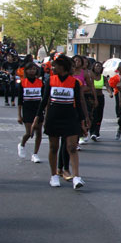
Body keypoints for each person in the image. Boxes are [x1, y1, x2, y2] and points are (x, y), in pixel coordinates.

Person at [32, 54, 89, 189]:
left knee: (72, 147)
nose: (53, 67)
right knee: (54, 147)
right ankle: (54, 176)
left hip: (70, 117)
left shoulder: (74, 82)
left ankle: (76, 177)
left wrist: (82, 121)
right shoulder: (50, 81)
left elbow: (79, 103)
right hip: (53, 117)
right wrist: (37, 117)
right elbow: (44, 100)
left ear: (62, 66)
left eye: (55, 65)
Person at [16, 61, 44, 163]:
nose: (32, 71)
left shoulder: (40, 82)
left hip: (38, 108)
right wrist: (19, 115)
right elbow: (19, 100)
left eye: (34, 69)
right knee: (28, 132)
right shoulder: (23, 83)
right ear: (26, 71)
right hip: (27, 109)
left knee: (39, 132)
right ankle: (22, 144)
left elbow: (44, 98)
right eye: (30, 69)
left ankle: (35, 154)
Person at [72, 55, 97, 145]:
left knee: (81, 117)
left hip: (82, 98)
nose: (76, 62)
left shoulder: (85, 73)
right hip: (70, 99)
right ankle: (75, 140)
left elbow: (91, 86)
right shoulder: (70, 72)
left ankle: (81, 136)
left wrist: (95, 98)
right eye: (75, 60)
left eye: (78, 61)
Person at [89, 61, 109, 141]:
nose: (98, 68)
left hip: (100, 97)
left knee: (99, 116)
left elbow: (107, 86)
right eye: (97, 66)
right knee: (93, 115)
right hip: (92, 98)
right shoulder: (90, 76)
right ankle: (92, 132)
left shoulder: (103, 77)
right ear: (93, 67)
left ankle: (97, 131)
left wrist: (110, 93)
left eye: (100, 66)